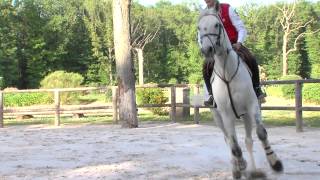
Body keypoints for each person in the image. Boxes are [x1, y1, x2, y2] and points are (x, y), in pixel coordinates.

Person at [201, 0, 266, 106]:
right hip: (216, 48)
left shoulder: (227, 9)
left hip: (234, 44)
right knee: (205, 66)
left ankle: (257, 88)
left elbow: (241, 28)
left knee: (251, 58)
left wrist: (239, 42)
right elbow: (201, 34)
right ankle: (211, 95)